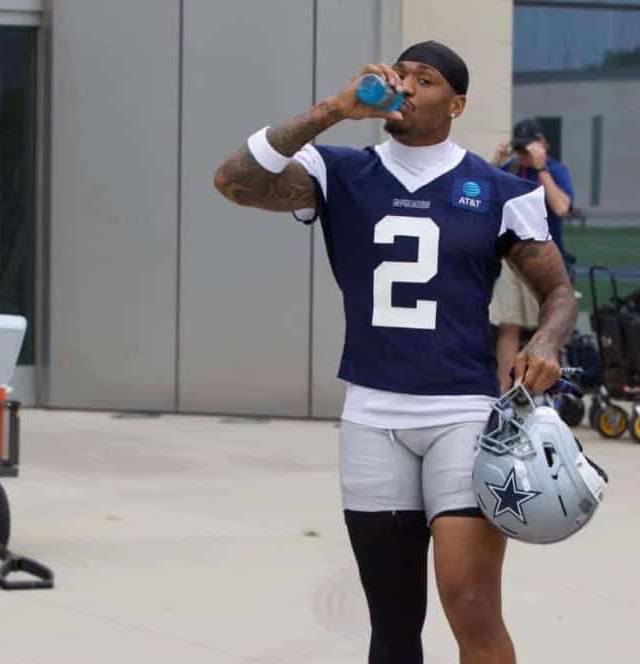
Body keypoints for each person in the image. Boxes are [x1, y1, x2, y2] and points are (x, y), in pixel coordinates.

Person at [213, 41, 576, 664]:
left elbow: (559, 291)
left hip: (461, 413)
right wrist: (334, 108)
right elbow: (234, 180)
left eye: (424, 79)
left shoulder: (497, 189)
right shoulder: (341, 171)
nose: (404, 86)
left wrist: (545, 340)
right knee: (393, 621)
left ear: (455, 103)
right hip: (372, 416)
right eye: (398, 73)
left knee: (470, 604)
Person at [489, 117, 576, 392]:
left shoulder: (555, 170)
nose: (524, 155)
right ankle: (506, 390)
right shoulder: (510, 169)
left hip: (543, 260)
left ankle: (552, 389)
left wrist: (541, 170)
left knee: (550, 327)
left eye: (529, 149)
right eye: (520, 149)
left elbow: (561, 207)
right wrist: (497, 162)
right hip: (509, 257)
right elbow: (484, 198)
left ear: (543, 145)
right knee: (508, 325)